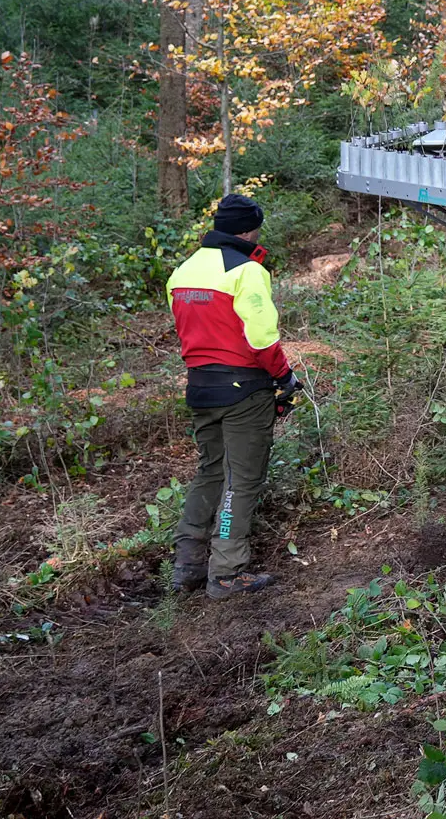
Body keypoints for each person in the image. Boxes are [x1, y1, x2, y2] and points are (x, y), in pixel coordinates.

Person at [166, 193, 300, 598]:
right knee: (241, 480)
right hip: (244, 388)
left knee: (209, 470)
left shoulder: (182, 272)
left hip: (199, 386)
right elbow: (261, 340)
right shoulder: (247, 271)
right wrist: (284, 377)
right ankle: (226, 573)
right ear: (248, 229)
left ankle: (187, 565)